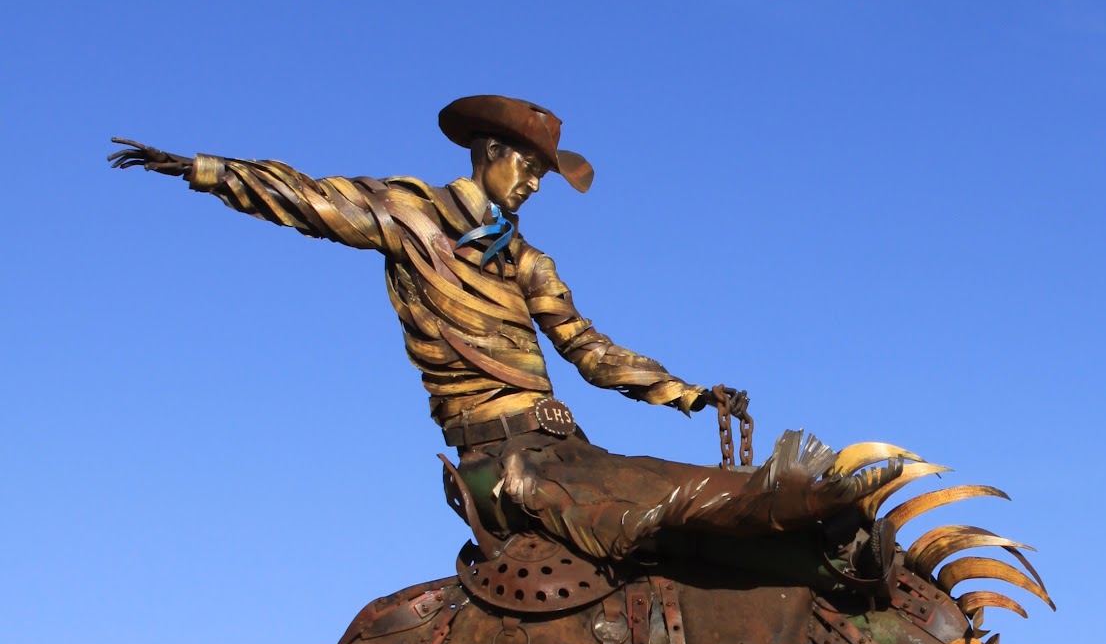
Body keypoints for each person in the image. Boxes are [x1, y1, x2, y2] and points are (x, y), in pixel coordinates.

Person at [108, 95, 891, 563]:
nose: (533, 183)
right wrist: (201, 168)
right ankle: (794, 505)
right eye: (526, 165)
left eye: (543, 174)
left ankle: (794, 507)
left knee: (660, 484)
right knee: (658, 507)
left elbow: (590, 350)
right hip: (497, 455)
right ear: (489, 153)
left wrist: (689, 394)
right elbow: (309, 199)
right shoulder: (411, 215)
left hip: (565, 445)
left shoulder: (529, 262)